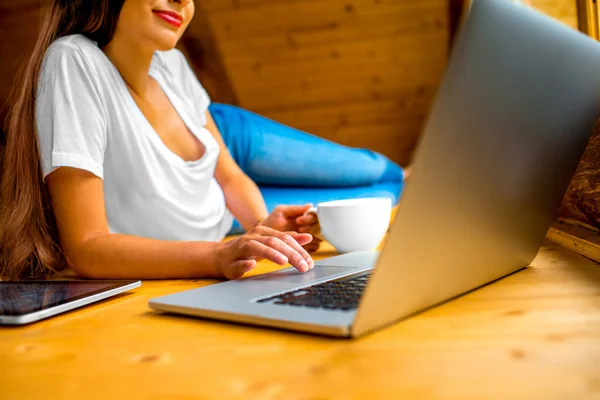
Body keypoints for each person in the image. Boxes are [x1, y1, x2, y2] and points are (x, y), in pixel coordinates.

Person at [0, 0, 406, 281]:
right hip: (203, 214)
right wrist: (221, 253)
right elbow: (87, 247)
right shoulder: (73, 60)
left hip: (217, 148)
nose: (181, 1)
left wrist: (262, 225)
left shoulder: (171, 64)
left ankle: (410, 172)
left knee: (383, 178)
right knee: (380, 187)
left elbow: (228, 177)